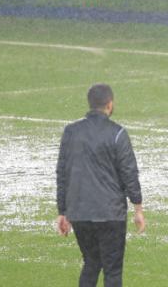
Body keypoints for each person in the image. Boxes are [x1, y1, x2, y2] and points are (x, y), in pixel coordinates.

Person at [56, 83, 145, 287]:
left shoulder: (71, 132)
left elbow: (62, 172)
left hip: (80, 212)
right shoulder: (117, 133)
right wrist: (137, 208)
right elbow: (129, 172)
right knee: (112, 271)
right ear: (110, 104)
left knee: (91, 264)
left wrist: (63, 211)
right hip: (110, 214)